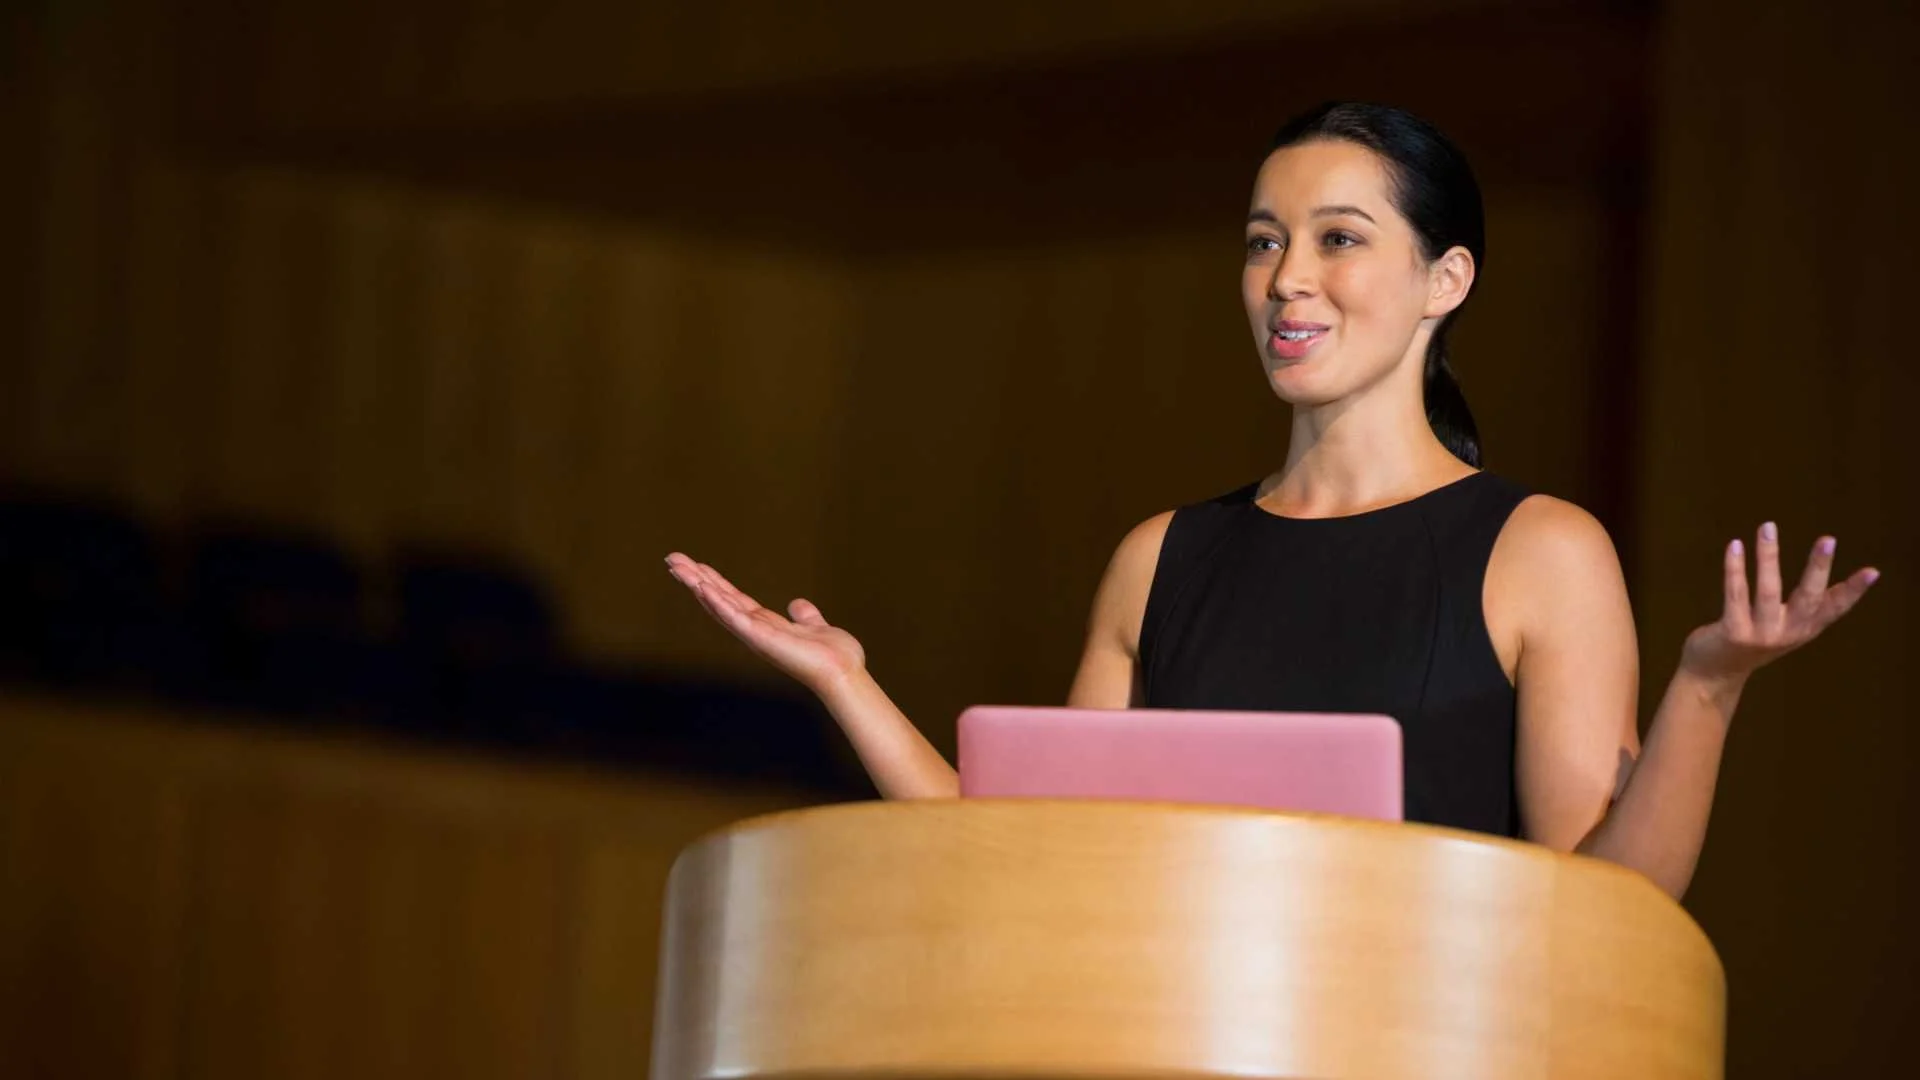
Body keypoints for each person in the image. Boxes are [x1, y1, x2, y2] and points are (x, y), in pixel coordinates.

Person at [664, 102, 1879, 900]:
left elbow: (1609, 899)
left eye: (1338, 238)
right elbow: (1031, 856)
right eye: (1261, 242)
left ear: (1443, 279)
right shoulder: (1160, 557)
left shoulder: (1540, 550)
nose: (1287, 278)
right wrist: (848, 683)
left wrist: (1708, 689)